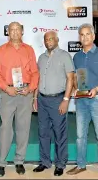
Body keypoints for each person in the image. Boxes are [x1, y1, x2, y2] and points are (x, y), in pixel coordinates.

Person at [66, 23, 98, 180]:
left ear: (93, 36)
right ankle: (81, 164)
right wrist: (75, 88)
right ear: (79, 38)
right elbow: (74, 77)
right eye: (82, 35)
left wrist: (97, 88)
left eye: (88, 34)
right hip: (81, 101)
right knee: (80, 135)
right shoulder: (77, 56)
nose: (85, 37)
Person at [0, 22, 39, 177]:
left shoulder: (29, 50)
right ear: (8, 32)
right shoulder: (1, 50)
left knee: (23, 127)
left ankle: (19, 161)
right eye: (11, 30)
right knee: (5, 127)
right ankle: (1, 162)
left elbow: (35, 72)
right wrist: (7, 89)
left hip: (25, 92)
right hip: (8, 93)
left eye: (17, 30)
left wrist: (30, 88)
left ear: (22, 32)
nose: (14, 32)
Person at [32, 31, 74, 176]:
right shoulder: (41, 58)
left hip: (58, 99)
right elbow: (38, 79)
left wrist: (66, 100)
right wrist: (35, 98)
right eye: (46, 39)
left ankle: (60, 163)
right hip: (42, 100)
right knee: (43, 132)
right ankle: (44, 162)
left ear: (57, 40)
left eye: (51, 38)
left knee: (59, 133)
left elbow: (71, 78)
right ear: (44, 41)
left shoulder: (64, 56)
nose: (49, 41)